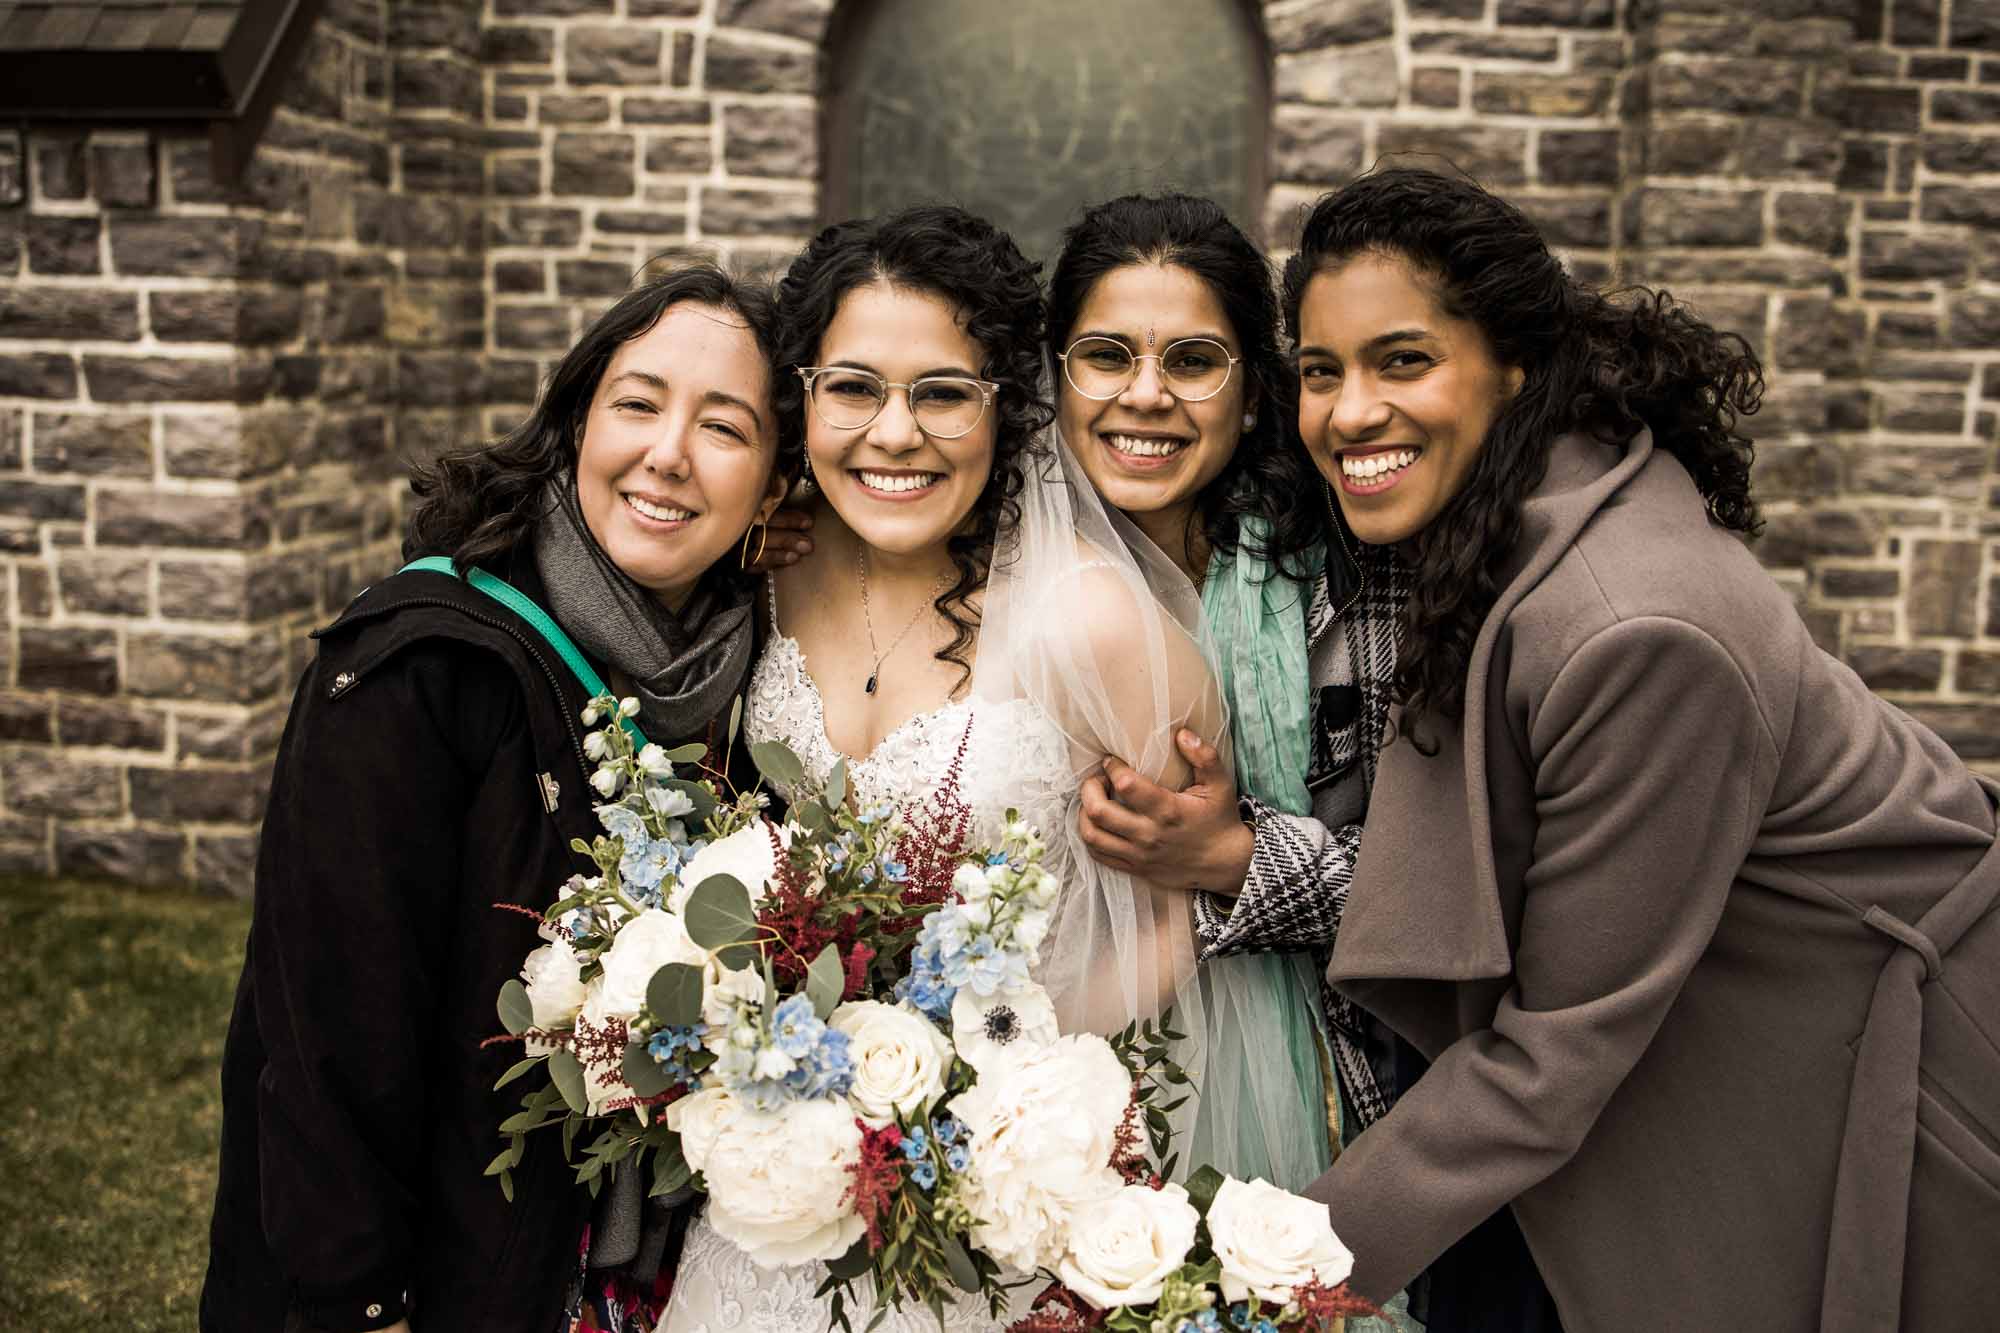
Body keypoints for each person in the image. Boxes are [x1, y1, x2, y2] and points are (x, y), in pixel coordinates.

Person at [1285, 167, 2000, 1332]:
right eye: (1320, 371)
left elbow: (1549, 1058)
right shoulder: (1511, 516)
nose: (1347, 412)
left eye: (1400, 360)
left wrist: (1244, 1278)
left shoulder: (1634, 630)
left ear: (1515, 367)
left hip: (1872, 1068)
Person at [659, 204, 1255, 1333]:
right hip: (776, 1179)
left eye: (941, 393)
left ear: (1005, 404)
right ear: (801, 398)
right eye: (852, 388)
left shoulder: (1091, 625)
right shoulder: (760, 566)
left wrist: (984, 1084)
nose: (894, 434)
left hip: (996, 1190)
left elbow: (1178, 918)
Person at [200, 265, 794, 1333]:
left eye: (723, 427)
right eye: (638, 403)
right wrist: (358, 1302)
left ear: (772, 489)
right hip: (431, 1276)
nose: (668, 453)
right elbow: (327, 1032)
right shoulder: (423, 665)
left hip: (624, 1274)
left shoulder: (749, 682)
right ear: (574, 425)